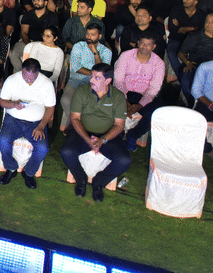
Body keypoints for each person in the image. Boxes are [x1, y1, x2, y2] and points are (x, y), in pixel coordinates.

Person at [59, 63, 131, 202]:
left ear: (108, 81)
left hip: (107, 136)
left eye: (97, 77)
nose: (91, 79)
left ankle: (99, 183)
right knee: (67, 151)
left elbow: (119, 125)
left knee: (124, 160)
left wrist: (102, 140)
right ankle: (81, 180)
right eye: (92, 75)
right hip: (82, 133)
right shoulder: (82, 91)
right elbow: (74, 118)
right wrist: (88, 140)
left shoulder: (118, 96)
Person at [0, 58, 57, 189]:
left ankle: (29, 173)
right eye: (26, 75)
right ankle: (11, 168)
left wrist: (41, 126)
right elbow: (2, 102)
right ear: (22, 71)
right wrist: (13, 104)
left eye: (33, 76)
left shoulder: (46, 83)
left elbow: (50, 108)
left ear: (38, 73)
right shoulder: (12, 80)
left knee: (42, 148)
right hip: (13, 120)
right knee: (3, 140)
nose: (29, 79)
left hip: (36, 123)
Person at [114, 33, 166, 151]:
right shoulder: (126, 55)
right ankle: (118, 133)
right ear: (138, 43)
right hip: (123, 91)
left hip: (144, 95)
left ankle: (133, 135)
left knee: (155, 113)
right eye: (142, 43)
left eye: (148, 44)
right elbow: (118, 80)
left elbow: (153, 89)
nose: (144, 46)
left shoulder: (159, 63)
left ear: (154, 47)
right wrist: (124, 101)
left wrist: (140, 105)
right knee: (112, 104)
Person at [60, 25, 112, 130]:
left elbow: (102, 72)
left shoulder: (106, 52)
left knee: (89, 102)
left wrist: (95, 53)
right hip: (75, 79)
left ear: (100, 36)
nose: (89, 36)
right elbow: (76, 68)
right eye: (88, 33)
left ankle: (76, 125)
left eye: (93, 34)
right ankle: (76, 123)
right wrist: (95, 75)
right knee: (65, 100)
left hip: (94, 83)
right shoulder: (78, 46)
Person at [11, 0, 58, 72]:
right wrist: (29, 46)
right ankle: (22, 73)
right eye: (34, 0)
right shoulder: (28, 15)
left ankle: (37, 76)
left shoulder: (52, 16)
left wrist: (41, 46)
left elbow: (52, 35)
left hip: (45, 44)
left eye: (39, 0)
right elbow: (24, 32)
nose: (36, 2)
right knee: (12, 53)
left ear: (45, 3)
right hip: (28, 42)